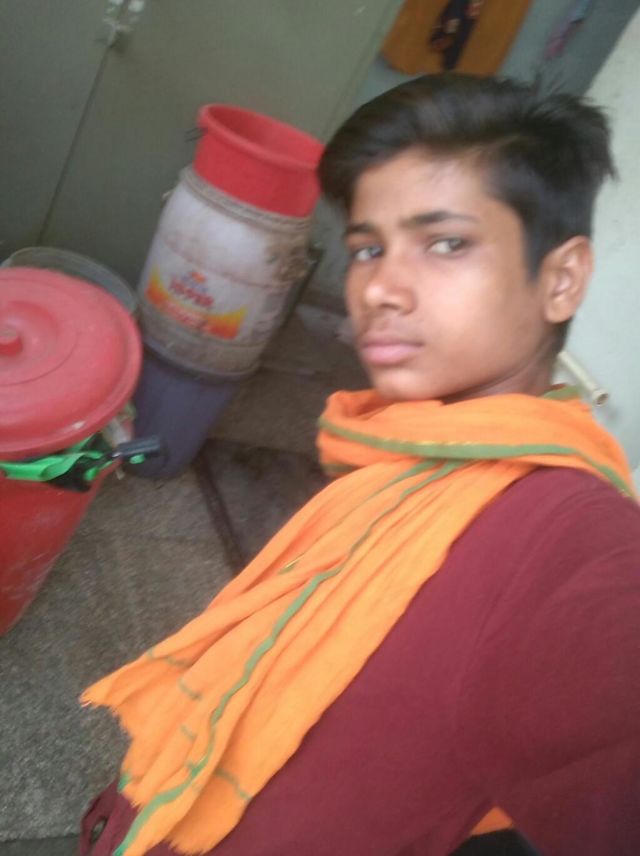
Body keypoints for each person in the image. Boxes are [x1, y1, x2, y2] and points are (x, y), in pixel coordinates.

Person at [79, 74, 640, 856]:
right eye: (369, 248)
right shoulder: (404, 457)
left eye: (446, 243)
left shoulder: (571, 540)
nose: (379, 288)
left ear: (560, 279)